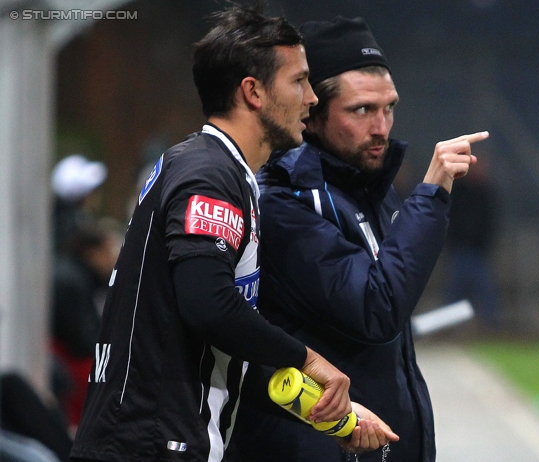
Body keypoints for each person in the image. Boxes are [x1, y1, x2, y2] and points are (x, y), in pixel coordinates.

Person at [69, 6, 395, 462]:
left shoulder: (217, 169)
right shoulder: (209, 175)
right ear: (253, 92)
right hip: (151, 446)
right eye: (298, 81)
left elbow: (216, 347)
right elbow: (208, 303)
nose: (311, 98)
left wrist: (329, 415)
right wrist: (308, 359)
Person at [227, 16, 489, 462]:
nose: (382, 127)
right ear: (312, 115)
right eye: (362, 110)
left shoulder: (373, 191)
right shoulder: (284, 203)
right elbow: (377, 309)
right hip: (313, 447)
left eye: (389, 107)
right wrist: (432, 192)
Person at [50, 218, 122, 429]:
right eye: (111, 252)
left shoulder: (80, 277)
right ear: (94, 253)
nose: (115, 259)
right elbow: (82, 341)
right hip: (70, 363)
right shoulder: (71, 280)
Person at [444, 157, 502, 329]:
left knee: (486, 292)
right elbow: (451, 218)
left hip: (478, 251)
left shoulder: (486, 193)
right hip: (460, 249)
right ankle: (450, 326)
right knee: (454, 292)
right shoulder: (459, 192)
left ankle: (490, 326)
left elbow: (490, 221)